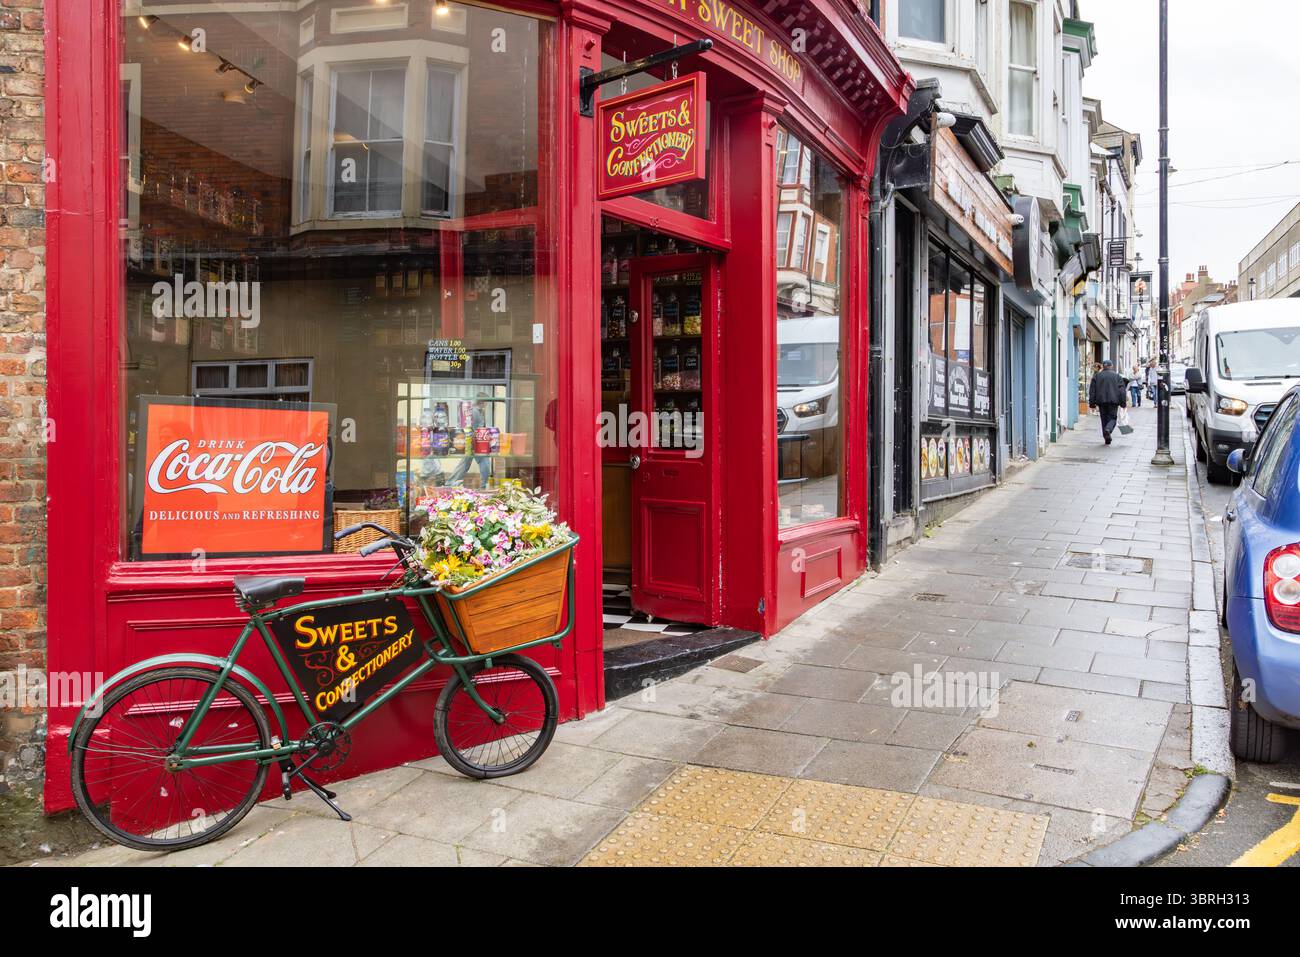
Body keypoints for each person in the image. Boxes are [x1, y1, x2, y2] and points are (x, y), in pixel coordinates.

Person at [1088, 358, 1128, 445]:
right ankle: (1108, 430)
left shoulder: (1097, 376)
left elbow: (1092, 391)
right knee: (1112, 418)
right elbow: (1122, 391)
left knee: (1104, 419)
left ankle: (1106, 438)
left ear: (1103, 366)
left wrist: (1092, 403)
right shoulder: (1117, 376)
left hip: (1101, 401)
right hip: (1113, 401)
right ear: (1111, 366)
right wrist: (1123, 403)